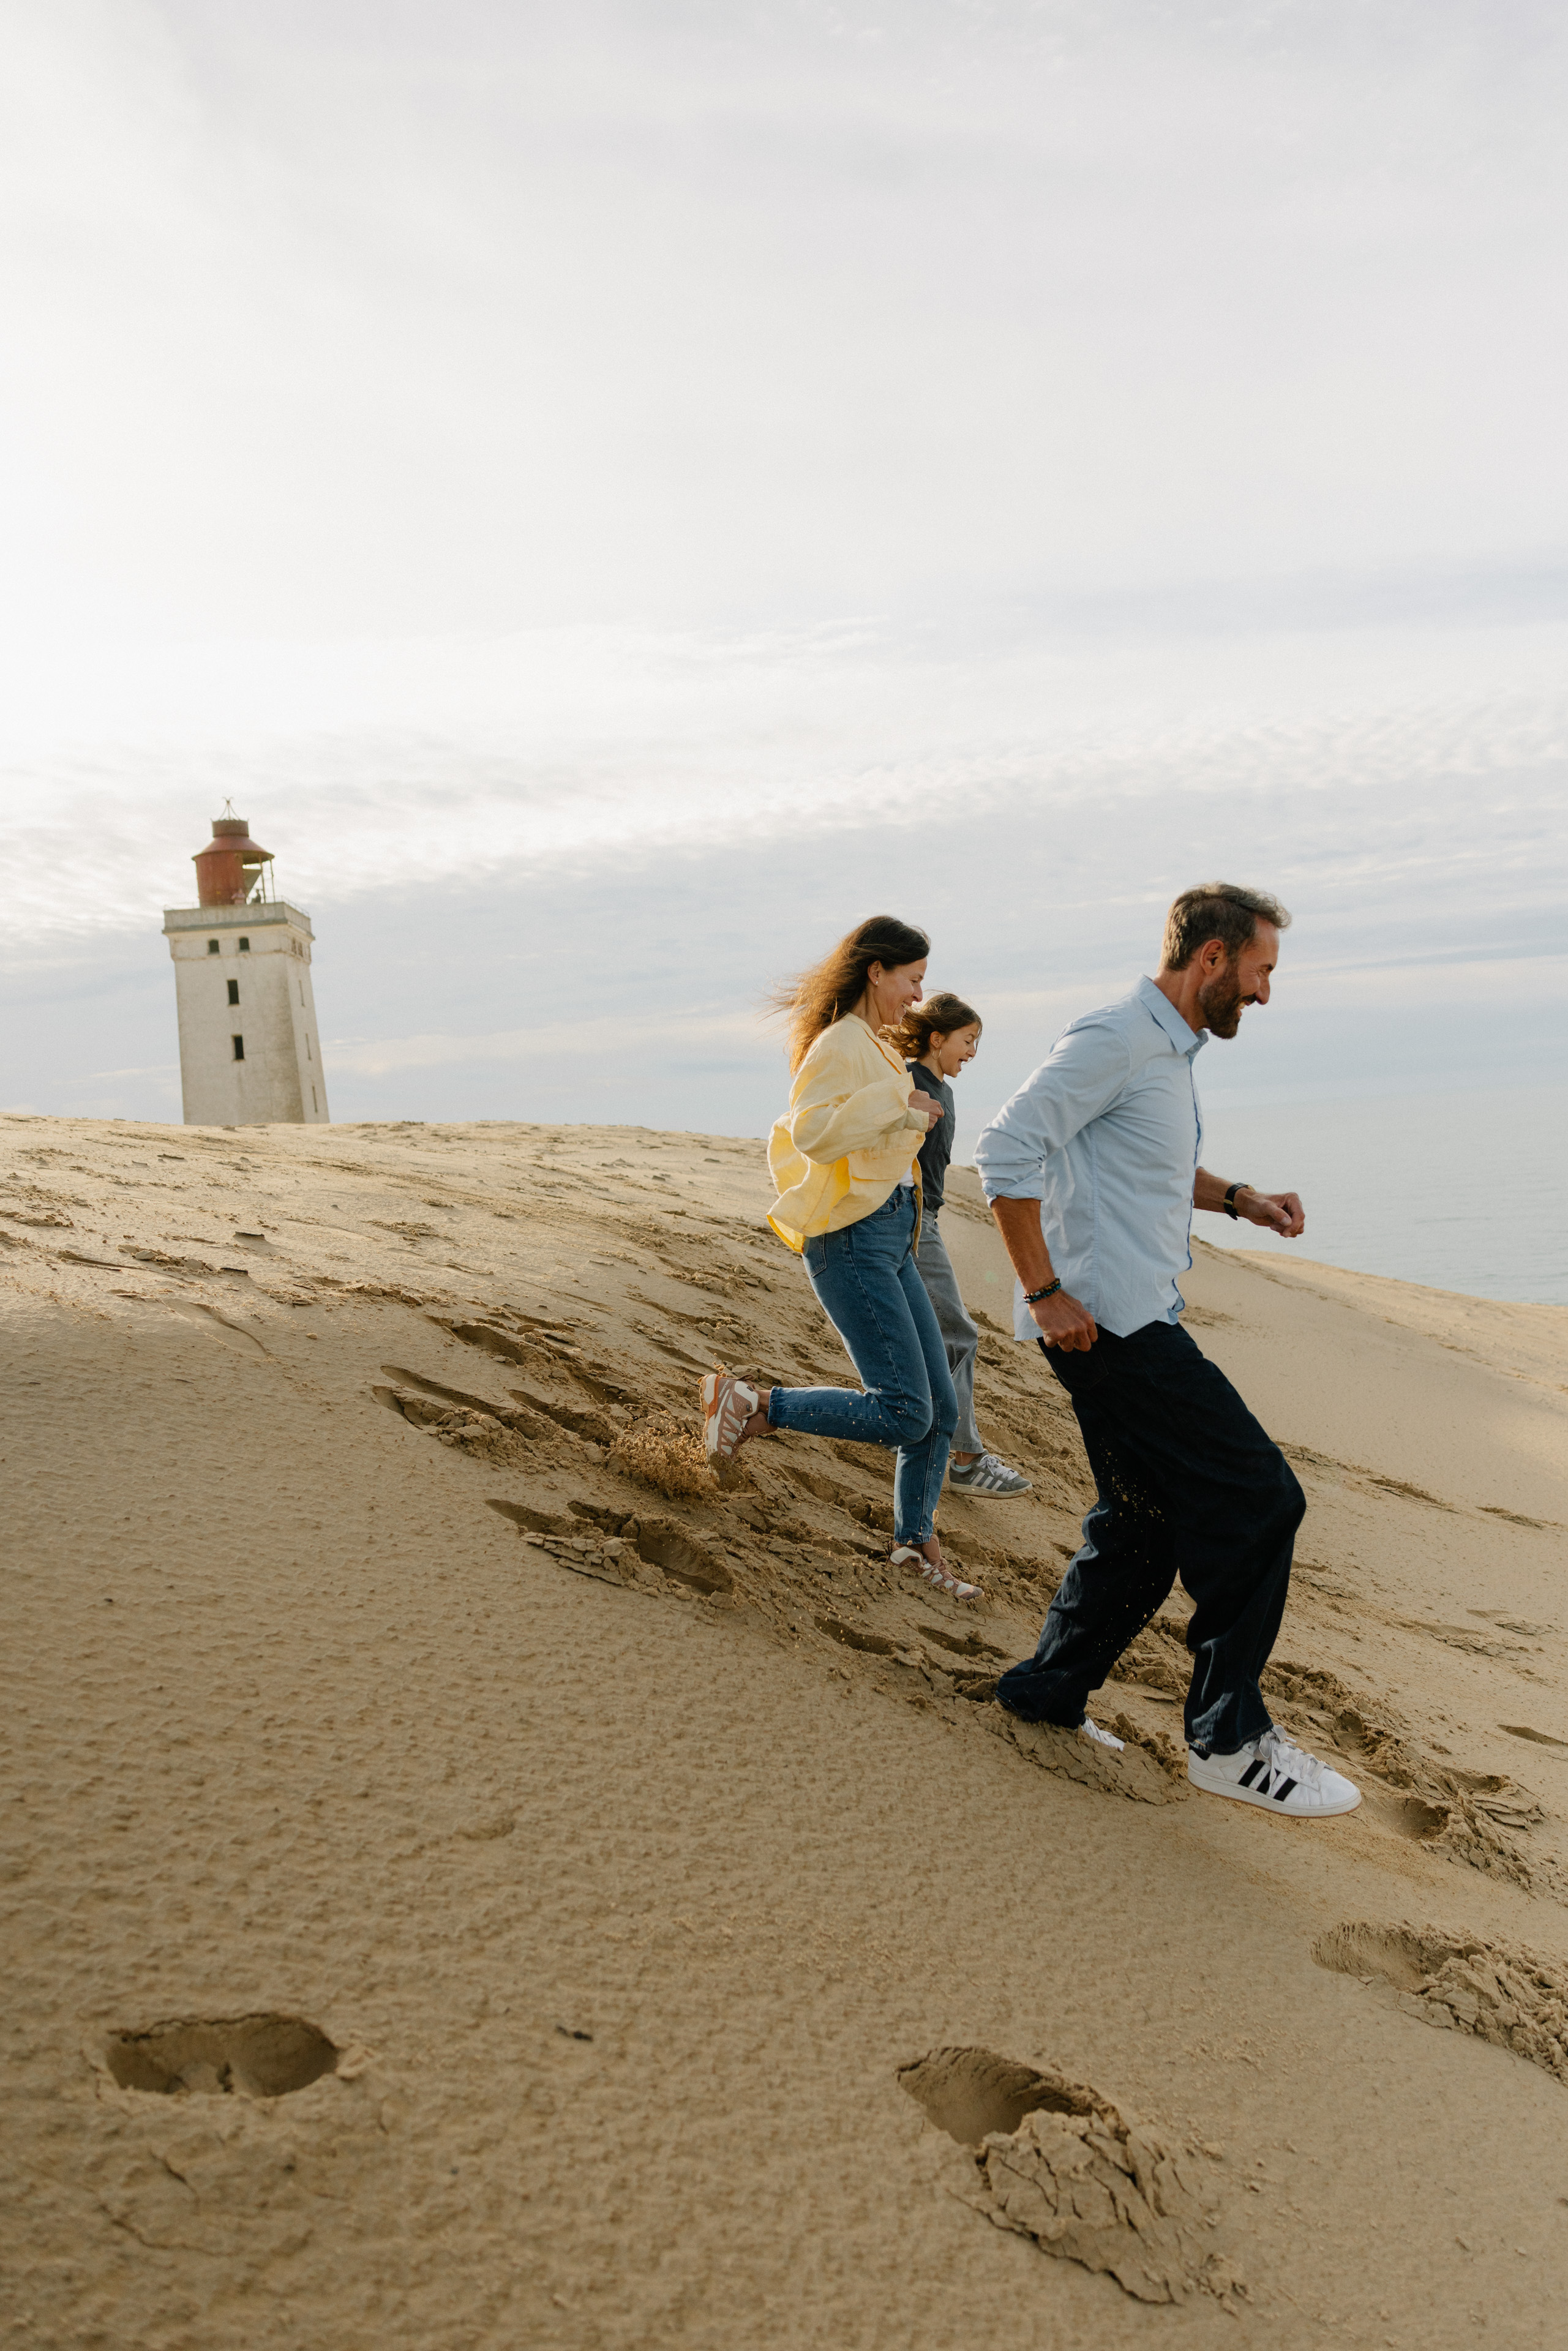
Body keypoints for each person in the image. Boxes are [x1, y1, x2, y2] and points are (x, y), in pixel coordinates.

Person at [973, 882, 1361, 1817]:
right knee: (1261, 1498)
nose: (1267, 993)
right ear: (1214, 958)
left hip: (1129, 1315)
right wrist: (1042, 1291)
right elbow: (1004, 1152)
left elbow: (1135, 1160)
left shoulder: (1164, 1050)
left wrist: (1240, 1200)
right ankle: (1227, 1737)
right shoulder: (1116, 1036)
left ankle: (1046, 1693)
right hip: (1111, 1327)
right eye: (1263, 970)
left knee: (1142, 1523)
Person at [700, 915, 979, 1601]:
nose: (918, 997)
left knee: (939, 1406)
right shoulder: (838, 1046)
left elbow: (873, 1131)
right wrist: (899, 1103)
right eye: (911, 980)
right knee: (904, 1410)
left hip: (890, 1238)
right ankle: (754, 1402)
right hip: (851, 1240)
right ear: (875, 971)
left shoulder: (877, 1047)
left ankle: (914, 1543)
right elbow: (814, 1133)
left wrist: (907, 1112)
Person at [890, 992, 1032, 1499]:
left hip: (925, 1219)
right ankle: (968, 1460)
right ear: (936, 1038)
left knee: (925, 1336)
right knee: (958, 1334)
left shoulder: (940, 1089)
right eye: (967, 1040)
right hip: (909, 1222)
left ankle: (916, 1431)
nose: (972, 1051)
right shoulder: (906, 1081)